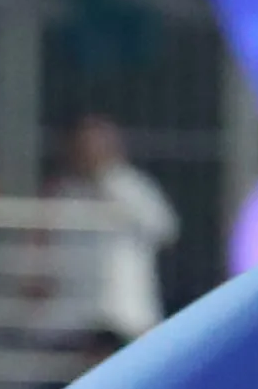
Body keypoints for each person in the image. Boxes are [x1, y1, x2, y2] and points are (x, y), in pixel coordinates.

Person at [43, 109, 176, 345]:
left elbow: (165, 229)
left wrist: (110, 185)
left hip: (127, 315)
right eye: (84, 145)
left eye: (96, 144)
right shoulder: (64, 192)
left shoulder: (133, 186)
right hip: (75, 320)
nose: (90, 151)